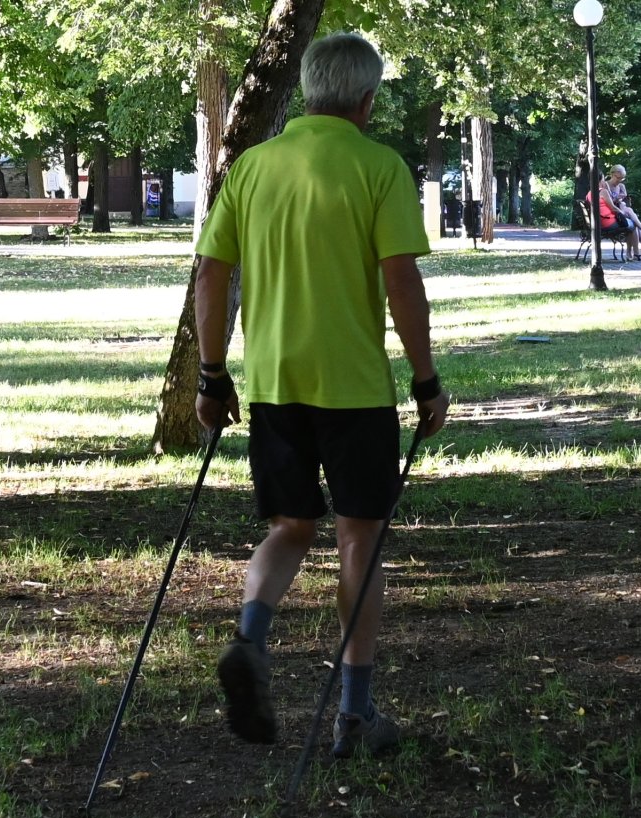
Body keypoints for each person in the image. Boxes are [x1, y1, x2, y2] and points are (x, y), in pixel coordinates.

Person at [192, 32, 450, 759]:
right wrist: (426, 379)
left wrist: (212, 375)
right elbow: (401, 281)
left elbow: (210, 273)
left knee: (289, 527)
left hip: (275, 384)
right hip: (354, 388)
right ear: (366, 100)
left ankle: (251, 637)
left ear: (308, 90)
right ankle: (354, 715)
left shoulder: (252, 166)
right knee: (358, 537)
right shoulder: (379, 166)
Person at [607, 164, 641, 258]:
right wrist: (618, 198)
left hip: (621, 212)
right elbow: (607, 202)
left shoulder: (621, 186)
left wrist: (621, 198)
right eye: (618, 178)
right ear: (612, 174)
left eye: (622, 178)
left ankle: (632, 252)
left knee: (632, 221)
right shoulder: (605, 185)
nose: (619, 180)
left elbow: (621, 200)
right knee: (630, 213)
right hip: (612, 213)